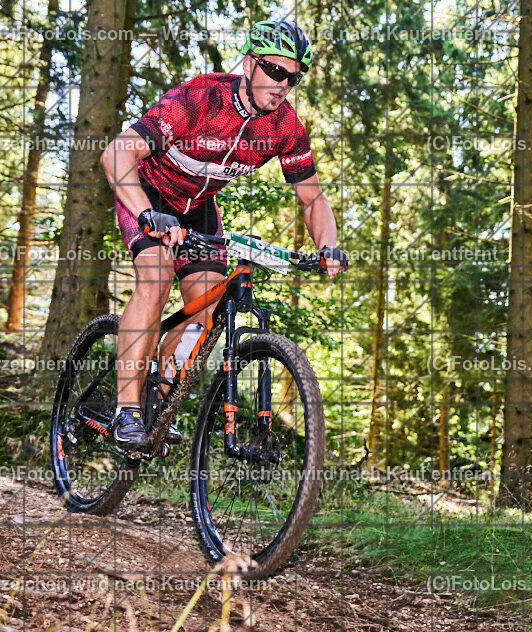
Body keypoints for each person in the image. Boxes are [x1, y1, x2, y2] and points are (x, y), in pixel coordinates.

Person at [100, 19, 348, 450]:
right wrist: (147, 215)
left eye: (293, 77)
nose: (283, 84)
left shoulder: (283, 126)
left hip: (197, 209)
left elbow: (312, 198)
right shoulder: (199, 99)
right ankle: (127, 409)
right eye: (275, 71)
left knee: (208, 304)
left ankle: (159, 394)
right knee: (156, 279)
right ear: (250, 62)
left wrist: (327, 246)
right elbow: (116, 154)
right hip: (148, 192)